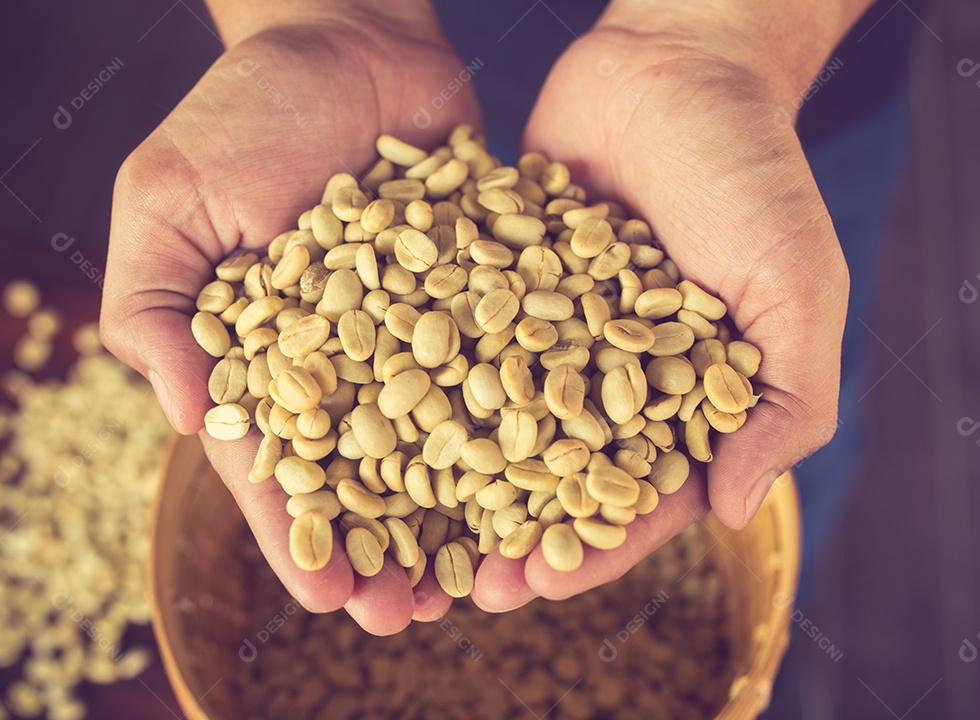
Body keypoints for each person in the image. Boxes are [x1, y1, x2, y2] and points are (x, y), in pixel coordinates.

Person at [101, 0, 901, 637]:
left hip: (781, 80)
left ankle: (790, 631)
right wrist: (322, 17)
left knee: (793, 429)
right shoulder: (363, 331)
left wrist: (728, 38)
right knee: (769, 435)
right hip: (506, 67)